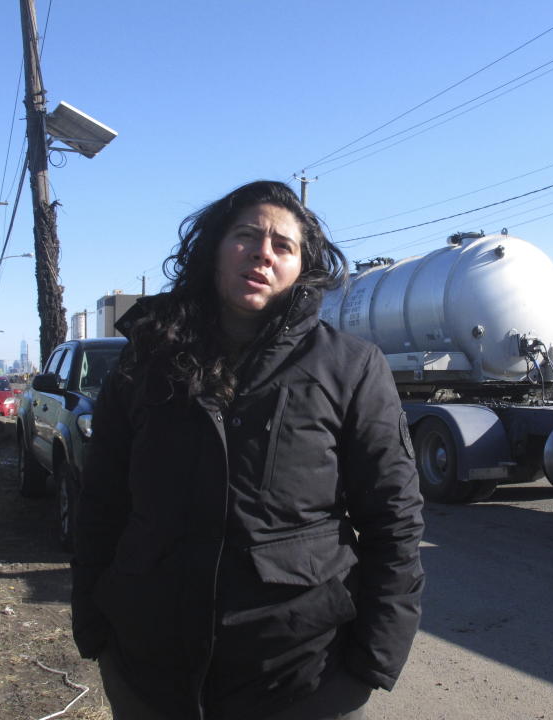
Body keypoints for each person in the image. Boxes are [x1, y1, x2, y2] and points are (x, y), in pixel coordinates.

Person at [70, 180, 425, 719]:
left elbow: (393, 520)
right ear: (214, 246)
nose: (264, 252)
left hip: (303, 674)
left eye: (284, 246)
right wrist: (94, 626)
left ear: (300, 269)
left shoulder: (350, 366)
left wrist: (374, 659)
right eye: (247, 236)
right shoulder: (148, 357)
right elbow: (101, 500)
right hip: (149, 667)